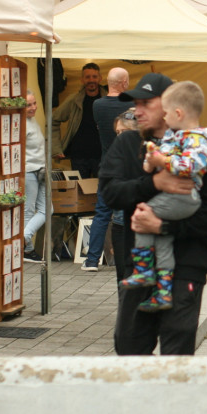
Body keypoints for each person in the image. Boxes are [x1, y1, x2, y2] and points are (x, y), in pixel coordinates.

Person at [100, 73, 207, 355]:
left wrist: (163, 226)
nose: (137, 110)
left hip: (186, 266)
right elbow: (110, 193)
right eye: (136, 104)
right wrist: (153, 183)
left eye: (146, 103)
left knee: (177, 350)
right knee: (129, 346)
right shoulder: (127, 144)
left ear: (171, 106)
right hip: (140, 268)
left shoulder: (199, 148)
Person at [119, 81, 207, 312]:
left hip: (184, 199)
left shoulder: (199, 139)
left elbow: (189, 166)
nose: (163, 118)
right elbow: (155, 162)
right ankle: (163, 292)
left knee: (143, 216)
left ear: (177, 113)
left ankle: (144, 270)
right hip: (178, 200)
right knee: (162, 239)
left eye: (165, 113)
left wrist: (161, 161)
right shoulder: (178, 137)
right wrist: (152, 159)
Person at [83, 67, 133, 272]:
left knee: (102, 213)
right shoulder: (132, 105)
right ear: (123, 83)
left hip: (106, 165)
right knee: (124, 216)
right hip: (127, 168)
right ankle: (125, 259)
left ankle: (92, 260)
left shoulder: (97, 105)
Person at [51, 62, 107, 178]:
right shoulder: (74, 100)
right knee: (80, 193)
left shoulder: (108, 100)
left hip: (103, 156)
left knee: (103, 192)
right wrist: (56, 148)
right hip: (79, 157)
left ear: (100, 78)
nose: (91, 80)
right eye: (87, 77)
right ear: (82, 80)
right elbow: (53, 120)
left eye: (94, 76)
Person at [109, 109, 139, 281]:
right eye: (118, 133)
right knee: (123, 277)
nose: (120, 137)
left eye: (124, 132)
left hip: (143, 225)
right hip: (120, 224)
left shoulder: (151, 156)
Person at [22, 90, 51, 263]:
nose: (33, 107)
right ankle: (28, 249)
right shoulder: (21, 124)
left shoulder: (32, 121)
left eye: (34, 103)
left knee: (48, 208)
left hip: (40, 170)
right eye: (28, 105)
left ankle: (24, 239)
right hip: (29, 170)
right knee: (28, 209)